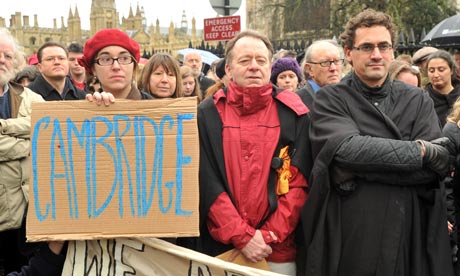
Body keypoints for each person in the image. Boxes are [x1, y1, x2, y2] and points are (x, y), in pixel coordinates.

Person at [300, 9, 455, 276]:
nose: (376, 54)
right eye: (366, 47)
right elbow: (348, 150)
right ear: (348, 52)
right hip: (354, 232)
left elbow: (438, 163)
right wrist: (420, 150)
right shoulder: (331, 99)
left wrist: (359, 168)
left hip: (410, 229)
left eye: (383, 46)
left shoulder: (416, 99)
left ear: (392, 51)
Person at [196, 30, 312, 276]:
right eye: (244, 60)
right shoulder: (207, 113)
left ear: (270, 67)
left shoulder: (293, 113)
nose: (254, 67)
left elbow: (298, 183)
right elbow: (207, 183)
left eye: (261, 60)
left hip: (276, 251)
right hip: (222, 250)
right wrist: (242, 236)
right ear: (228, 69)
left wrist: (268, 235)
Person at [0, 27, 45, 274]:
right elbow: (37, 137)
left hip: (29, 215)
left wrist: (4, 129)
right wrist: (28, 143)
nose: (2, 60)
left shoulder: (33, 98)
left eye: (8, 56)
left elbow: (49, 137)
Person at [297, 40, 343, 108]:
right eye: (325, 62)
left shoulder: (349, 96)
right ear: (309, 69)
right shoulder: (298, 102)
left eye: (336, 61)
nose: (333, 68)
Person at [424, 50, 460, 127]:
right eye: (431, 71)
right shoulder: (423, 99)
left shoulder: (458, 96)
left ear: (451, 71)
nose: (436, 75)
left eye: (441, 70)